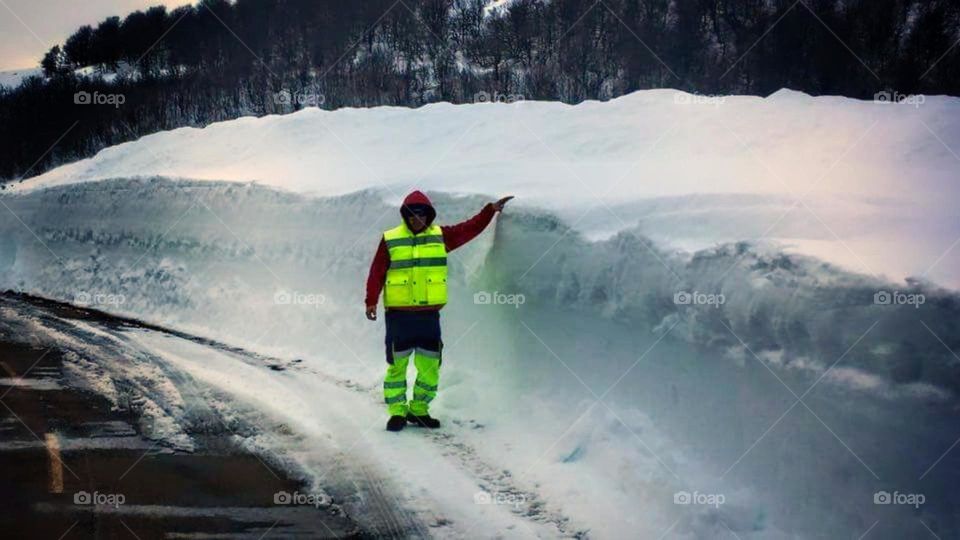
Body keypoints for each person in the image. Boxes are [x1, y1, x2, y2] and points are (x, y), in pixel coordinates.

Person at [365, 190, 513, 431]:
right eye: (412, 215)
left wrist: (489, 211)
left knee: (430, 366)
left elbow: (469, 229)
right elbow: (377, 271)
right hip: (399, 317)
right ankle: (397, 413)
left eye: (422, 214)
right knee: (397, 367)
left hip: (428, 317)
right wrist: (371, 300)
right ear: (406, 215)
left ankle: (419, 410)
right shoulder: (390, 239)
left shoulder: (441, 236)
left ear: (429, 215)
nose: (417, 219)